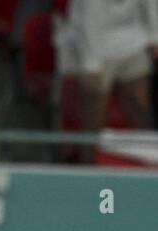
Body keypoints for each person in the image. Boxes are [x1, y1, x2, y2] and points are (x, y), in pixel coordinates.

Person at [65, 0, 158, 134]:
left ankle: (147, 151)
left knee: (140, 104)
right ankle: (92, 152)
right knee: (94, 109)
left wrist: (155, 38)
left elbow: (151, 4)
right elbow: (88, 25)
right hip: (92, 45)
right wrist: (91, 66)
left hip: (134, 39)